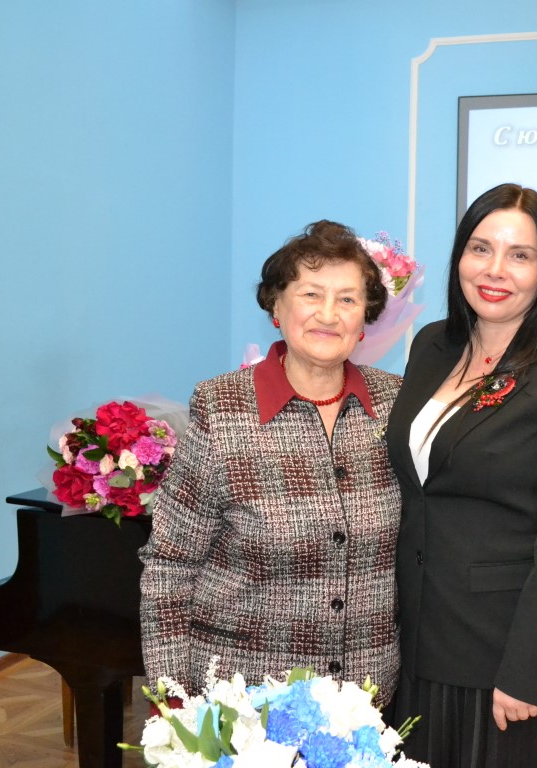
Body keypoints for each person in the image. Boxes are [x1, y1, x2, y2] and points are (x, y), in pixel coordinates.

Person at [386, 184, 537, 766]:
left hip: (505, 658)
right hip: (418, 638)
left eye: (520, 255)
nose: (495, 270)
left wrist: (526, 671)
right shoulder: (432, 346)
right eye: (480, 248)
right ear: (460, 258)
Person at [139, 220, 402, 707]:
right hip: (246, 700)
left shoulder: (395, 403)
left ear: (365, 317)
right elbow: (170, 565)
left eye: (347, 299)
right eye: (310, 294)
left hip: (365, 698)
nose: (329, 314)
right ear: (276, 306)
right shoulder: (222, 408)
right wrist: (172, 697)